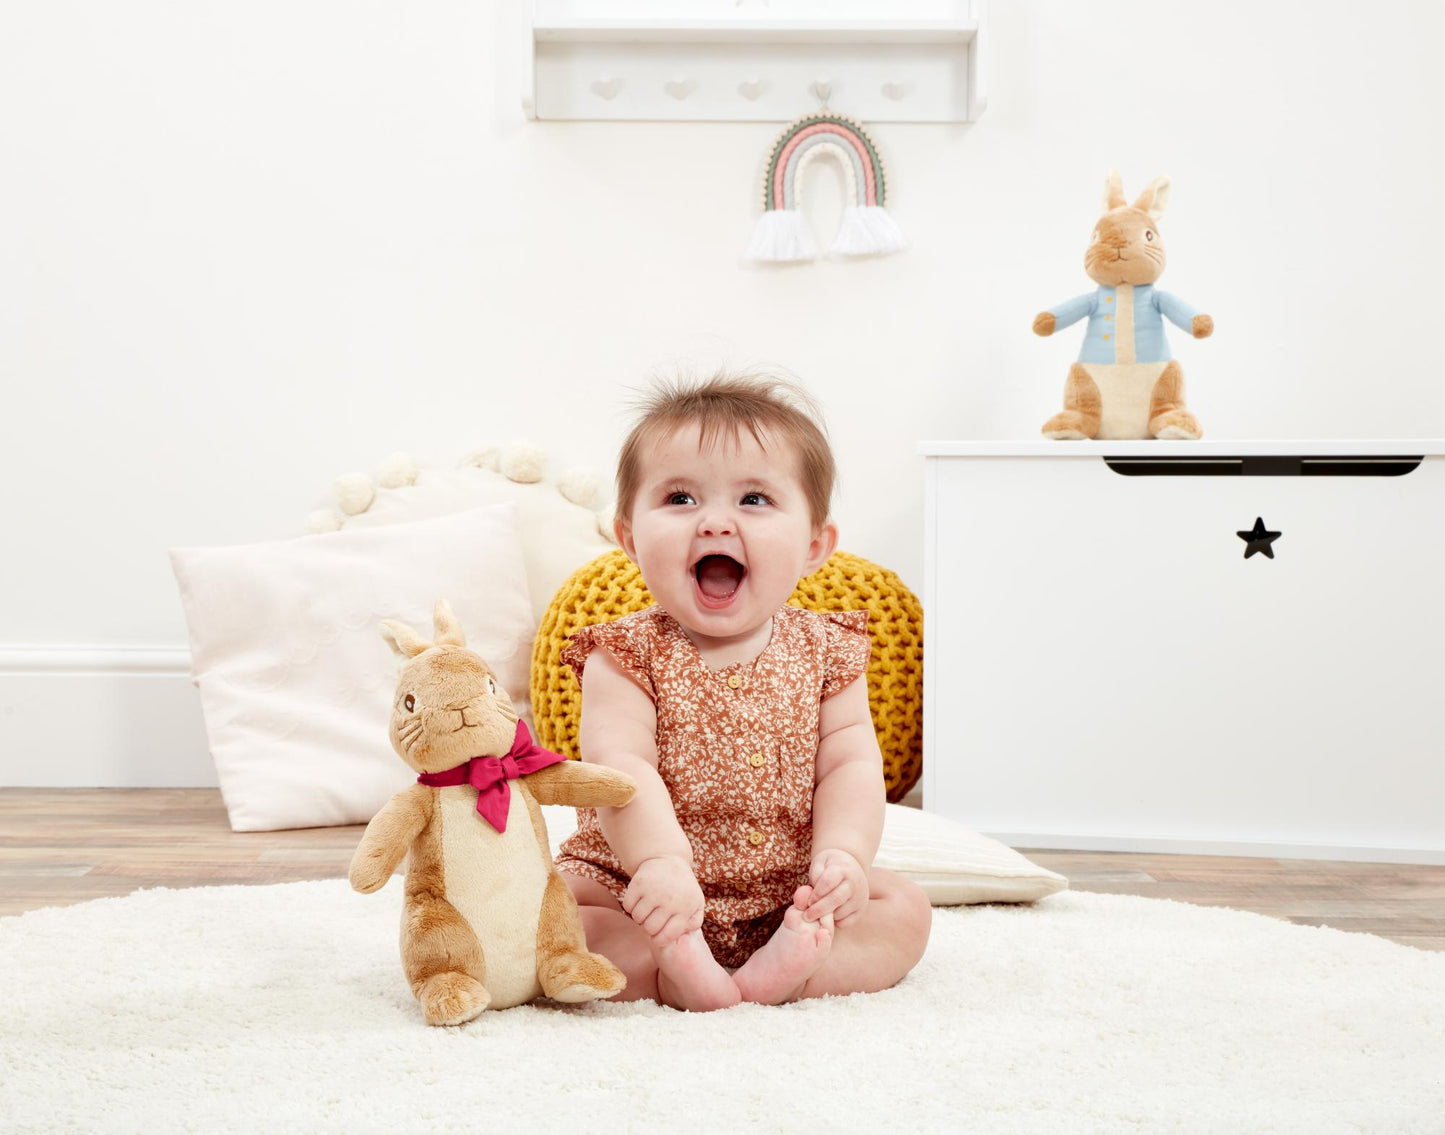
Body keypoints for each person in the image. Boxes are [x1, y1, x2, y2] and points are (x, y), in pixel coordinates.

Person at [555, 372, 931, 1011]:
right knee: (559, 921)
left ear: (815, 545)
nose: (715, 523)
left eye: (754, 500)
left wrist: (844, 858)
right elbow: (621, 769)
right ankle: (670, 968)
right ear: (628, 540)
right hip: (637, 889)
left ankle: (797, 967)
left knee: (905, 910)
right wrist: (661, 864)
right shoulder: (622, 655)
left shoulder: (826, 650)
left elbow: (850, 764)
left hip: (788, 895)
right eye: (679, 498)